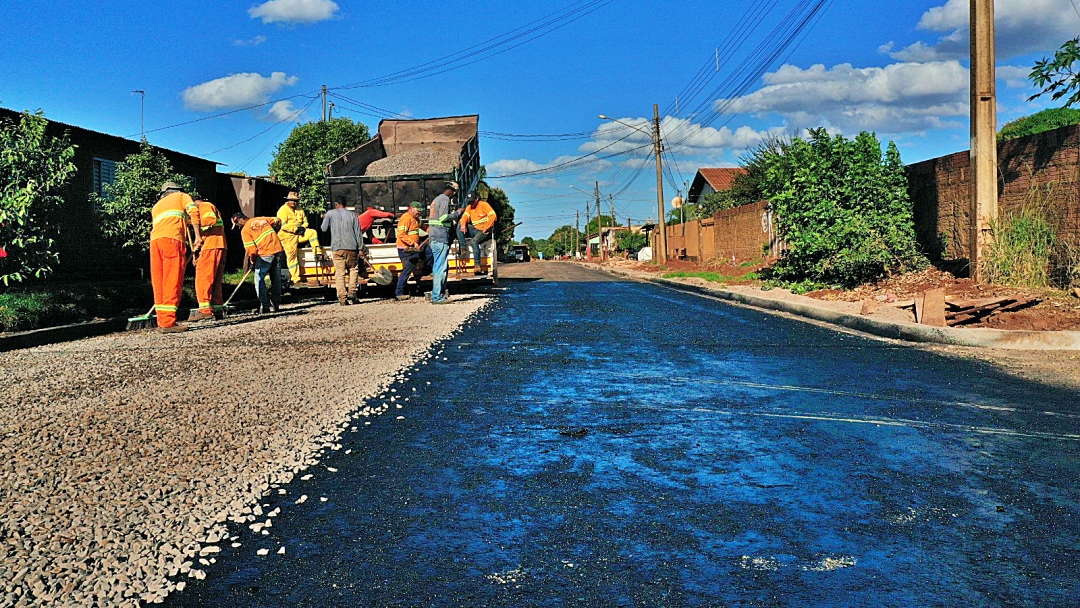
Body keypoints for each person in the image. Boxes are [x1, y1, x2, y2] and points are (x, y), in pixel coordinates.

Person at [150, 182, 201, 333]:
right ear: (178, 189)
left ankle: (162, 320)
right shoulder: (182, 196)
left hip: (155, 242)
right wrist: (198, 236)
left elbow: (180, 219)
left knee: (159, 281)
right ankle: (169, 323)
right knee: (173, 278)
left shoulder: (157, 206)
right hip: (172, 240)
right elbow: (194, 213)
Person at [234, 213, 284, 314]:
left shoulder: (245, 230)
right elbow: (278, 220)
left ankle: (265, 306)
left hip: (265, 253)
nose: (238, 227)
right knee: (276, 278)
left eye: (237, 225)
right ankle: (276, 304)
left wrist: (253, 261)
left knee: (259, 278)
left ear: (239, 221)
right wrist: (275, 232)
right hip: (278, 249)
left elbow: (251, 250)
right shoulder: (262, 218)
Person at [320, 200, 368, 306]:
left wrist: (325, 219)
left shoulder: (330, 214)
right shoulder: (353, 215)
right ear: (345, 204)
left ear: (336, 204)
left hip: (337, 248)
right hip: (352, 248)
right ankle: (352, 292)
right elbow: (358, 233)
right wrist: (360, 248)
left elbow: (323, 229)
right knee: (353, 269)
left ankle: (342, 298)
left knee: (339, 274)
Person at [187, 197, 227, 322]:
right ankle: (217, 308)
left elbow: (210, 220)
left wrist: (192, 222)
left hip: (211, 246)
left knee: (203, 278)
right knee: (215, 280)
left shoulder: (204, 206)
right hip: (217, 245)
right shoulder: (209, 207)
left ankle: (204, 310)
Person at [427, 181, 463, 304]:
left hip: (434, 237)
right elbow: (443, 218)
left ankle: (438, 294)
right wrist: (457, 213)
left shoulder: (436, 199)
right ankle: (437, 297)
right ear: (453, 191)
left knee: (440, 266)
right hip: (440, 237)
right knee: (440, 267)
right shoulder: (445, 200)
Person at [276, 191, 322, 285]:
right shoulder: (282, 211)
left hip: (299, 233)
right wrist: (296, 229)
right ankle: (296, 279)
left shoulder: (300, 209)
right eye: (292, 200)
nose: (294, 202)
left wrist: (303, 227)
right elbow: (283, 226)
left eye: (295, 201)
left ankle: (318, 254)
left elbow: (305, 221)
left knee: (312, 232)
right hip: (287, 236)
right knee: (292, 257)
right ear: (288, 200)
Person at [394, 201, 430, 301]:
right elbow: (401, 234)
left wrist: (429, 230)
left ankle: (425, 272)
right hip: (406, 250)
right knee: (407, 269)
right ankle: (399, 292)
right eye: (418, 211)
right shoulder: (405, 219)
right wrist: (413, 243)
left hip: (414, 248)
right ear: (411, 208)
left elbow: (423, 226)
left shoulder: (416, 219)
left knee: (429, 253)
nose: (419, 213)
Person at [459, 192, 498, 274]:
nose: (471, 203)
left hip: (484, 231)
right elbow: (465, 216)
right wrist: (463, 224)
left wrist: (486, 227)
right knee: (459, 226)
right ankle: (463, 248)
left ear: (477, 198)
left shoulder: (484, 205)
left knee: (474, 241)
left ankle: (477, 265)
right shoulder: (469, 207)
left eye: (472, 201)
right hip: (475, 230)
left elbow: (493, 216)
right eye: (469, 202)